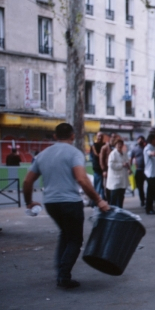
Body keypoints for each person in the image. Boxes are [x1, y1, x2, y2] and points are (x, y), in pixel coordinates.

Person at [23, 123, 110, 288]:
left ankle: (61, 270)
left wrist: (29, 202)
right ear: (73, 136)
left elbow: (27, 181)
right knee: (75, 239)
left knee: (65, 234)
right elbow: (82, 179)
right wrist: (99, 200)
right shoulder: (75, 153)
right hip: (70, 202)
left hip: (51, 204)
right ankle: (63, 276)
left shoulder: (42, 155)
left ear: (55, 136)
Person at [106, 139, 130, 208]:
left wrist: (128, 167)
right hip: (115, 180)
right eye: (118, 144)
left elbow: (127, 161)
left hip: (123, 178)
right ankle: (112, 213)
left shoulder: (124, 153)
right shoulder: (113, 154)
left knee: (121, 196)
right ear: (115, 145)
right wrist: (122, 165)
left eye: (121, 144)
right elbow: (111, 165)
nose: (119, 146)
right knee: (114, 197)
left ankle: (120, 210)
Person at [130, 135, 146, 207]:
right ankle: (142, 200)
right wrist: (129, 168)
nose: (140, 140)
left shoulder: (146, 148)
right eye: (139, 139)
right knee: (140, 187)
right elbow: (131, 158)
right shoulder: (134, 149)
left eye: (141, 139)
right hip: (139, 170)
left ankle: (149, 199)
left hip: (147, 170)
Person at [100, 132, 118, 197]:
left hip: (116, 169)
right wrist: (104, 170)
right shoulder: (104, 148)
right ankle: (108, 200)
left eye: (115, 137)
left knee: (115, 185)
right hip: (108, 169)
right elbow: (101, 159)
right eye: (112, 137)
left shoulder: (117, 147)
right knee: (108, 186)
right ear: (110, 138)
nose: (114, 138)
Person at [90, 132, 106, 201]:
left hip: (103, 168)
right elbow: (95, 156)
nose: (100, 137)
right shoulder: (94, 145)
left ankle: (102, 200)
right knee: (98, 186)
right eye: (99, 136)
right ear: (96, 136)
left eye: (101, 136)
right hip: (97, 168)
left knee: (102, 186)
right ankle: (95, 202)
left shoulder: (104, 145)